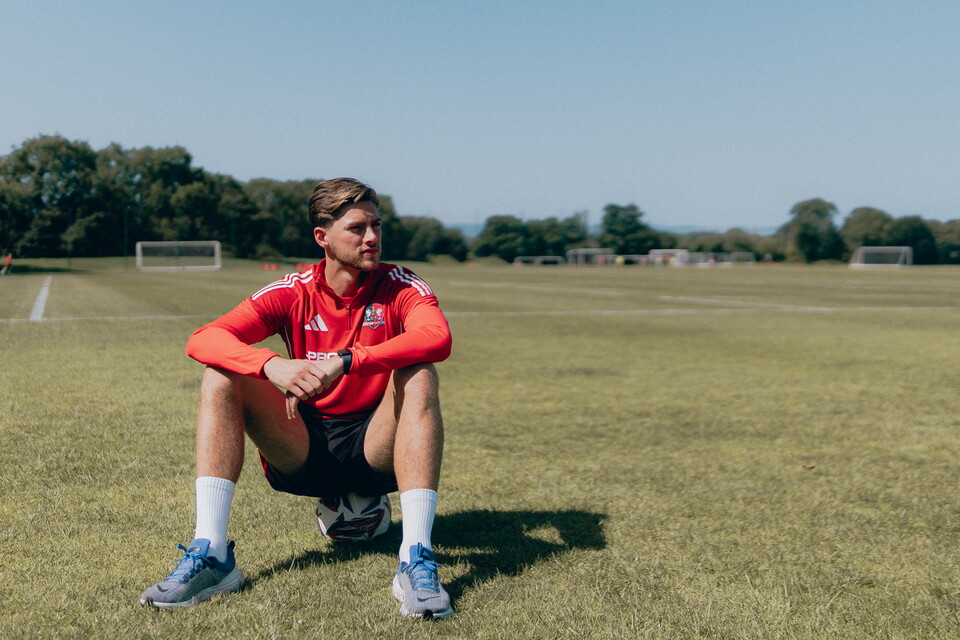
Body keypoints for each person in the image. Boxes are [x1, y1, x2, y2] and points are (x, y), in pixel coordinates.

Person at [139, 178, 454, 619]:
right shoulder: (293, 290)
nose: (372, 238)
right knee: (220, 376)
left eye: (377, 226)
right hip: (304, 445)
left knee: (420, 374)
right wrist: (272, 365)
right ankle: (212, 554)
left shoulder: (400, 285)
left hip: (377, 446)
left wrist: (346, 360)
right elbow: (204, 338)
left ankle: (415, 558)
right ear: (322, 237)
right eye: (357, 228)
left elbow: (437, 337)